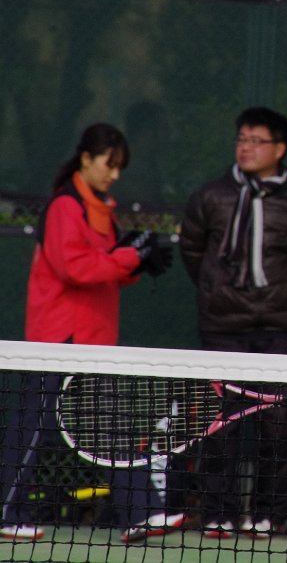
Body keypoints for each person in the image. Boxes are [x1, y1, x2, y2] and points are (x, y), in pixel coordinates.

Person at [0, 123, 179, 543]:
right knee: (33, 427)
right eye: (108, 164)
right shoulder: (65, 207)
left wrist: (137, 262)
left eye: (120, 167)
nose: (114, 174)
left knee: (110, 429)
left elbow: (107, 268)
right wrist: (128, 257)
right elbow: (75, 268)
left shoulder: (100, 210)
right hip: (59, 340)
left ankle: (142, 513)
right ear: (86, 158)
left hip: (94, 343)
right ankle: (6, 513)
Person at [179, 106, 287, 539]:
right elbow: (193, 253)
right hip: (221, 330)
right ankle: (218, 513)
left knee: (277, 427)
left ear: (280, 149)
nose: (245, 147)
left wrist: (278, 299)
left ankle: (267, 514)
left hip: (279, 332)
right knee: (219, 427)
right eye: (241, 139)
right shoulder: (210, 197)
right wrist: (219, 292)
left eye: (256, 141)